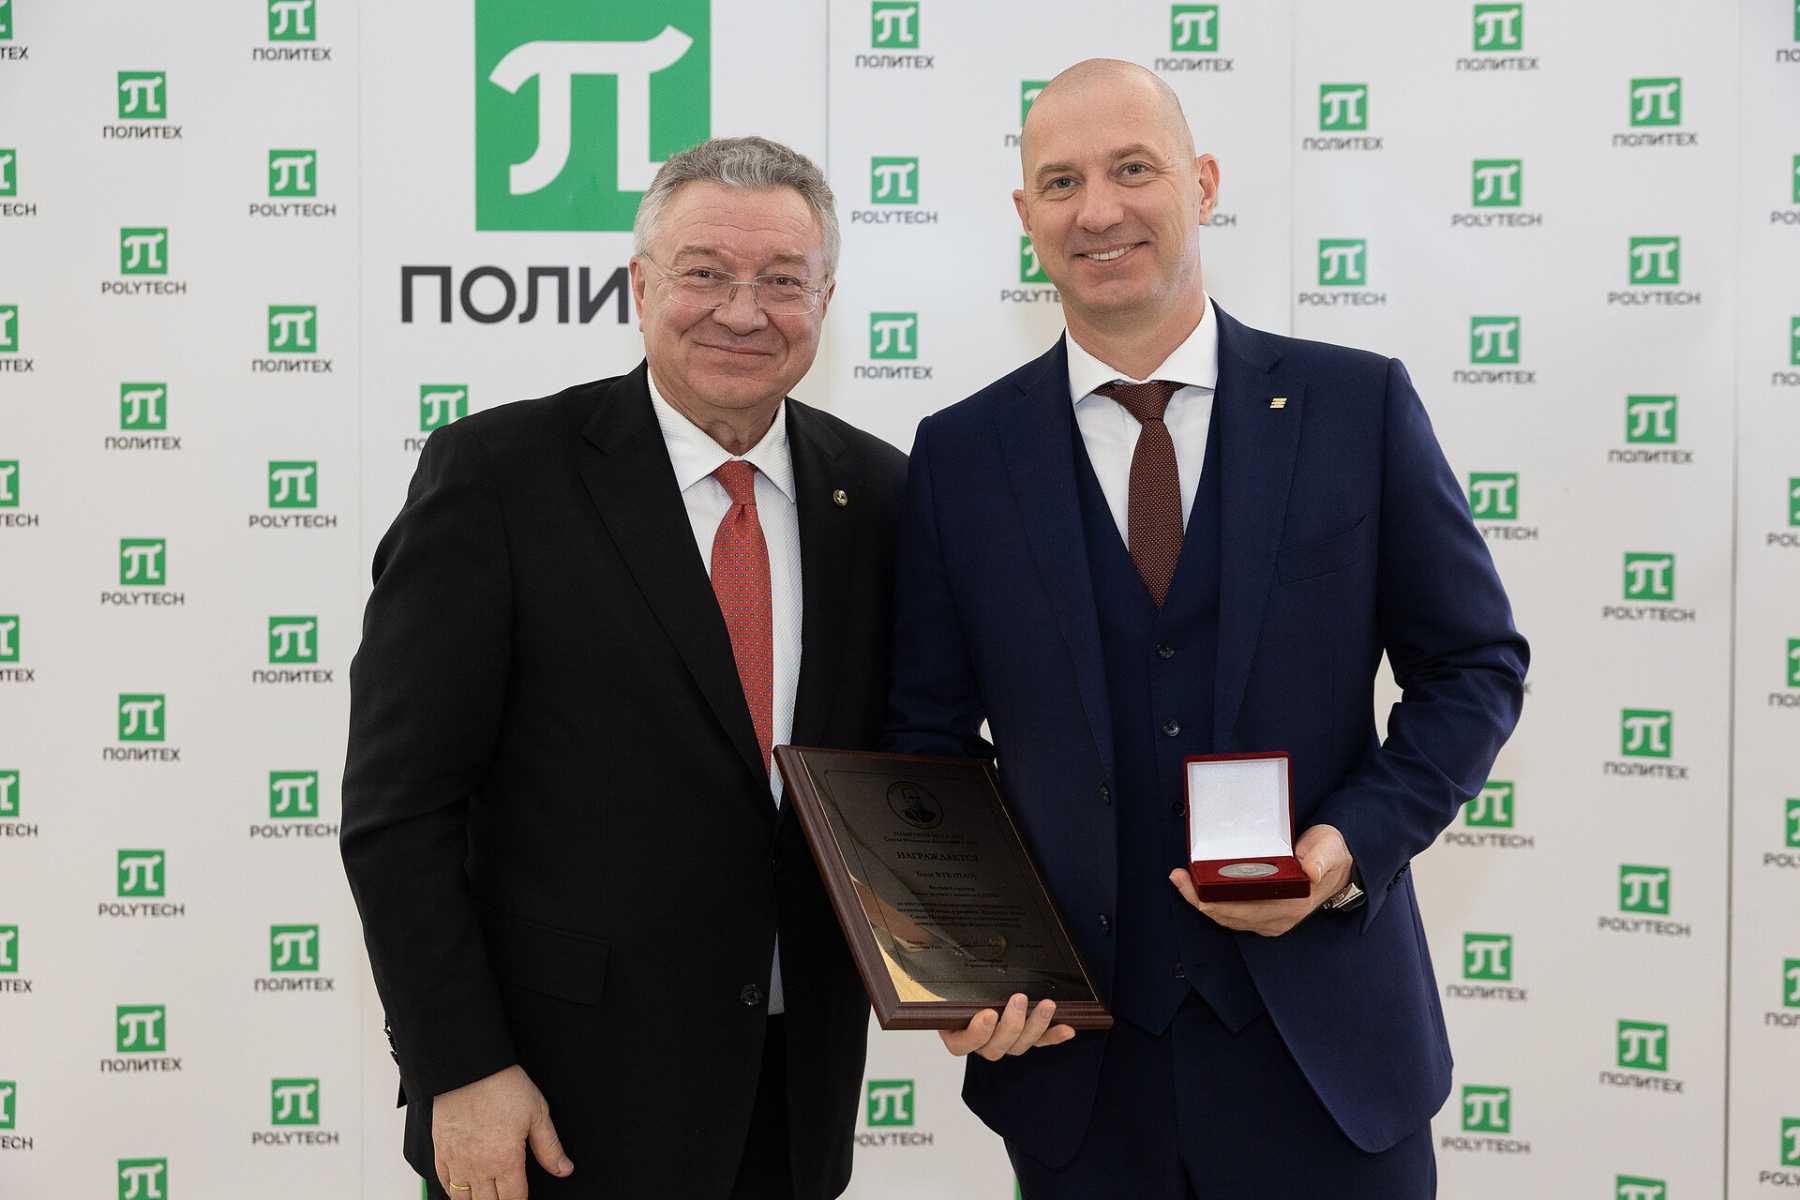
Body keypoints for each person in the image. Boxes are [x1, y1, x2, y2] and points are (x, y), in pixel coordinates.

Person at [884, 60, 1529, 1197]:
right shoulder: (961, 455)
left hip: (1332, 1057)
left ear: (1205, 184)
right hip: (1077, 1072)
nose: (1098, 209)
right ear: (1025, 214)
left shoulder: (1356, 405)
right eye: (1062, 181)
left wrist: (1345, 851)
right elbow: (925, 743)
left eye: (1134, 168)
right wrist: (962, 963)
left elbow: (1473, 666)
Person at [342, 136, 907, 1200]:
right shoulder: (498, 479)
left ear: (825, 301)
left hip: (794, 1098)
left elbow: (907, 769)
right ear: (641, 286)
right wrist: (459, 1065)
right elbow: (398, 810)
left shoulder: (880, 495)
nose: (742, 311)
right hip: (553, 1101)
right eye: (705, 272)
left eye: (782, 281)